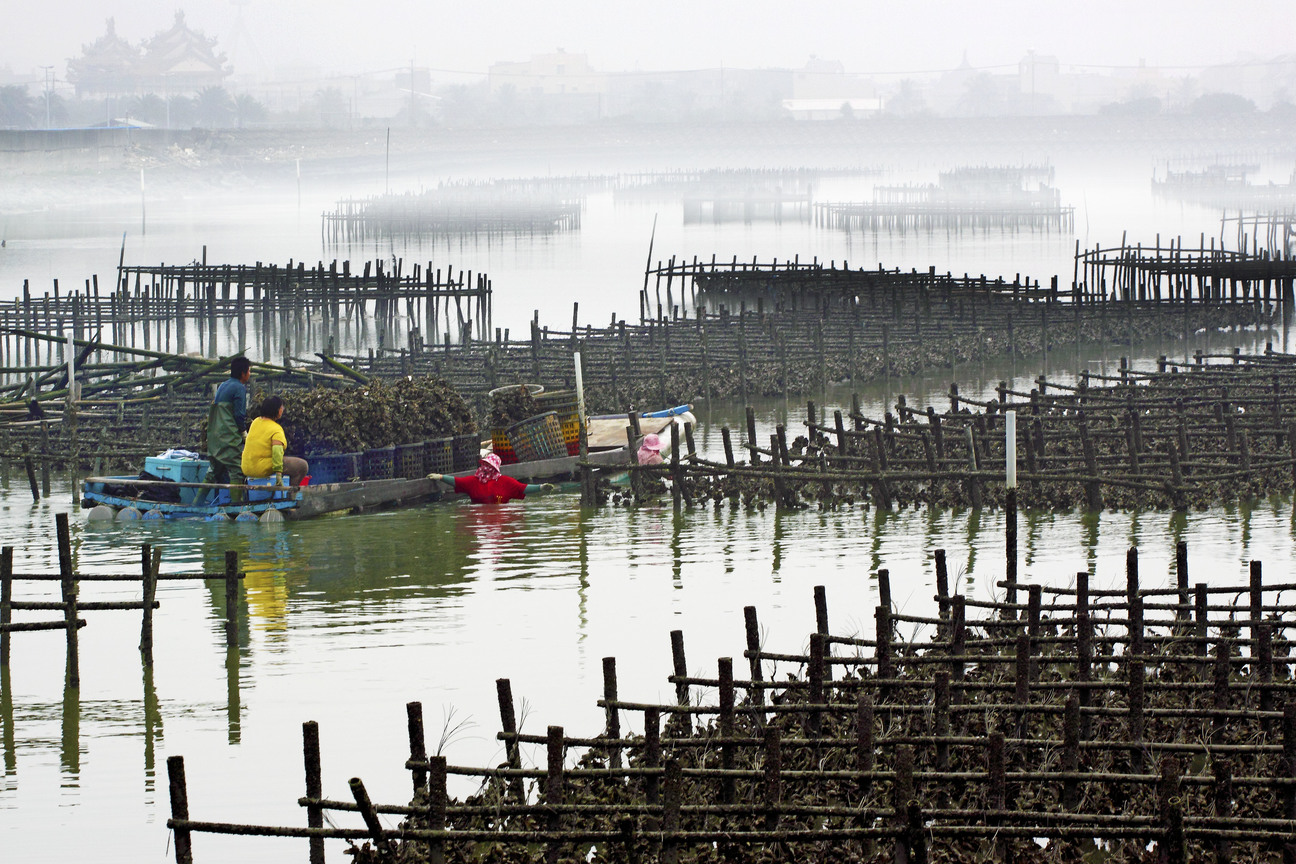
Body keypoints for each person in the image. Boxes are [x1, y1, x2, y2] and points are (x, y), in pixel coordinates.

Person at [205, 356, 251, 499]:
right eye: (249, 371)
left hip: (214, 437)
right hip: (228, 437)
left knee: (213, 471)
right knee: (237, 470)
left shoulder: (223, 385)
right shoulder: (239, 388)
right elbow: (239, 415)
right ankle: (236, 508)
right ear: (243, 373)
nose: (250, 374)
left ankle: (196, 504)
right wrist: (244, 433)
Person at [427, 453, 555, 503]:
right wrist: (440, 477)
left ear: (495, 468)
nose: (486, 468)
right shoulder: (474, 481)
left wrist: (541, 487)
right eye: (485, 465)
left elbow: (523, 488)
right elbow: (457, 482)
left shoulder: (506, 482)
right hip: (478, 512)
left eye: (490, 466)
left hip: (499, 511)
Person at [242, 396, 310, 487]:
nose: (283, 409)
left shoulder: (256, 422)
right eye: (281, 407)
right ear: (277, 410)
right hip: (261, 468)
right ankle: (290, 495)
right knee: (302, 466)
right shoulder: (276, 429)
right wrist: (278, 474)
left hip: (247, 467)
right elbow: (277, 453)